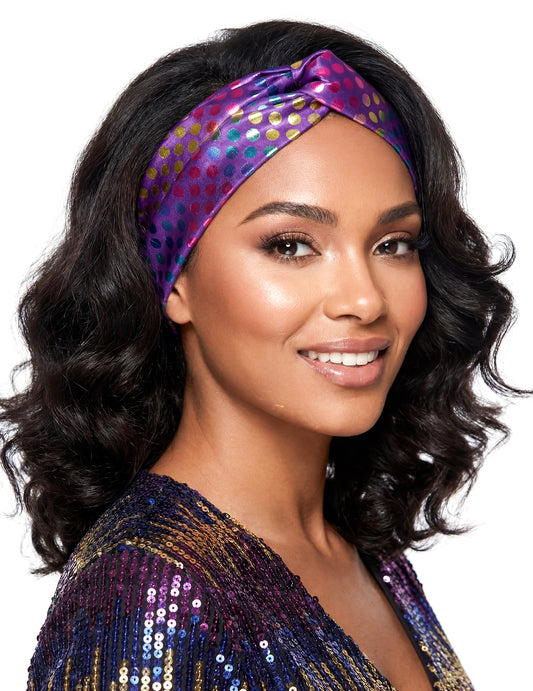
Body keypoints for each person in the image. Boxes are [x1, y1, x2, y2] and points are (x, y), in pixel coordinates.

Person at [0, 19, 522, 691]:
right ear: (173, 281)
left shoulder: (354, 548)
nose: (364, 299)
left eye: (392, 244)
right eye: (290, 245)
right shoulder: (145, 595)